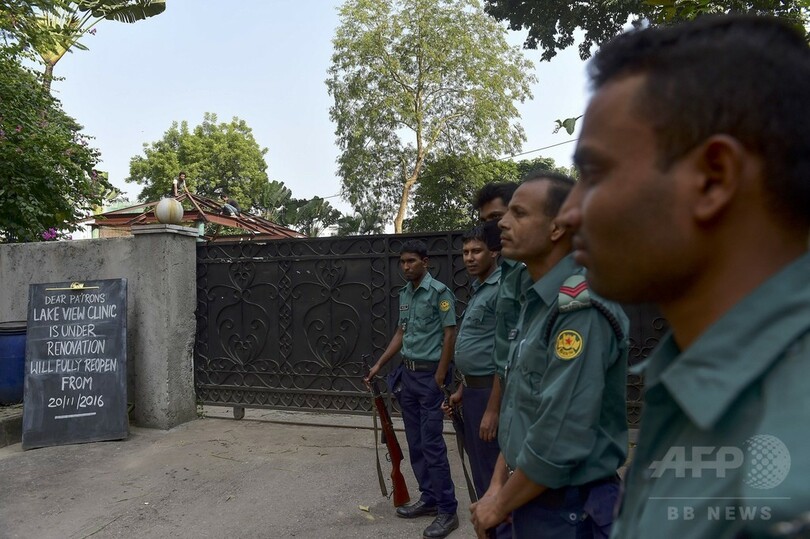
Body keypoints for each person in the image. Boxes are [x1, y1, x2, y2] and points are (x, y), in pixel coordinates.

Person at [559, 15, 810, 539]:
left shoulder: (789, 490)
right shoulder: (699, 376)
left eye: (594, 174)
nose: (569, 213)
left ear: (713, 178)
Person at [470, 173, 629, 539]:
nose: (503, 224)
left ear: (558, 228)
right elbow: (521, 410)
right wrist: (497, 485)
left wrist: (498, 504)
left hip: (571, 509)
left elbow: (558, 438)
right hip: (532, 497)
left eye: (519, 214)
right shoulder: (537, 300)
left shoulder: (580, 308)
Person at [366, 240, 459, 539]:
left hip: (430, 377)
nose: (406, 266)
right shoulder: (404, 294)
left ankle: (448, 510)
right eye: (402, 262)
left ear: (425, 261)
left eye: (411, 261)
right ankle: (429, 498)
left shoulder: (440, 293)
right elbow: (400, 333)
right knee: (416, 444)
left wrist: (441, 376)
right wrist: (380, 364)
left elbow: (449, 334)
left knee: (433, 446)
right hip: (408, 376)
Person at [442, 225, 510, 539]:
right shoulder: (479, 287)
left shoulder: (502, 289)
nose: (469, 258)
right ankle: (489, 529)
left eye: (476, 251)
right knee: (480, 470)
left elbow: (503, 355)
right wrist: (460, 389)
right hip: (471, 392)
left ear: (494, 252)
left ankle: (500, 530)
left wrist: (493, 409)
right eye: (466, 252)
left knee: (494, 475)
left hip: (489, 396)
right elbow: (478, 346)